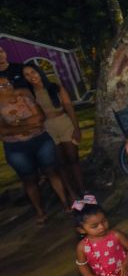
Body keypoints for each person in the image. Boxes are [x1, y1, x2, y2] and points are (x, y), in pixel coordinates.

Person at [0, 75, 69, 223]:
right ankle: (40, 211)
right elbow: (3, 131)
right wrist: (29, 125)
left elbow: (40, 118)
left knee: (52, 172)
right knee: (29, 179)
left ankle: (65, 203)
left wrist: (15, 124)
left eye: (8, 83)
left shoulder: (24, 96)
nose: (8, 87)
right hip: (16, 148)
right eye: (3, 86)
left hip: (41, 141)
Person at [23, 62, 83, 199]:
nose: (31, 76)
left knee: (73, 159)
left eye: (33, 72)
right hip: (47, 130)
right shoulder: (29, 94)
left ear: (39, 72)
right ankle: (73, 196)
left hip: (65, 124)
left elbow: (69, 108)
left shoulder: (55, 87)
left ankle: (83, 191)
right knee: (60, 164)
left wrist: (77, 128)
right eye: (26, 75)